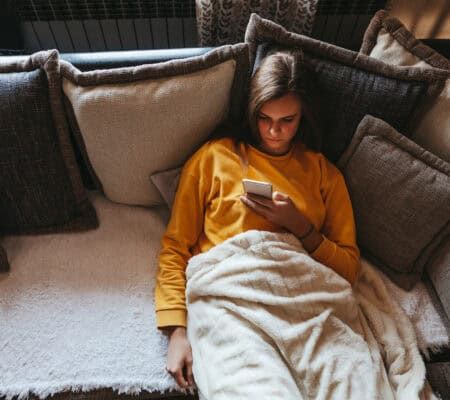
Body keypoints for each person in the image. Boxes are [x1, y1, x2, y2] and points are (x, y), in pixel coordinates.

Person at [154, 50, 361, 390]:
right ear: (252, 111)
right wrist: (177, 331)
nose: (274, 131)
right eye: (265, 118)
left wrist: (301, 227)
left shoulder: (324, 173)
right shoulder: (214, 157)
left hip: (305, 302)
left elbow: (349, 270)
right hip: (230, 297)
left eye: (287, 120)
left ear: (303, 117)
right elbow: (176, 247)